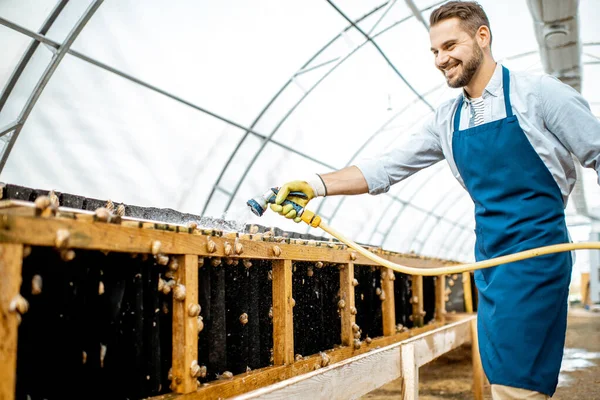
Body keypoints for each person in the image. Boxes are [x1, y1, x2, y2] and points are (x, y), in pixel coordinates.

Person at [269, 1, 600, 399]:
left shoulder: (539, 94)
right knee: (501, 376)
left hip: (537, 256)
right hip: (490, 259)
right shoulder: (447, 119)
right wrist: (316, 184)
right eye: (434, 51)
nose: (441, 59)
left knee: (518, 382)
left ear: (482, 36)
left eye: (449, 46)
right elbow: (386, 167)